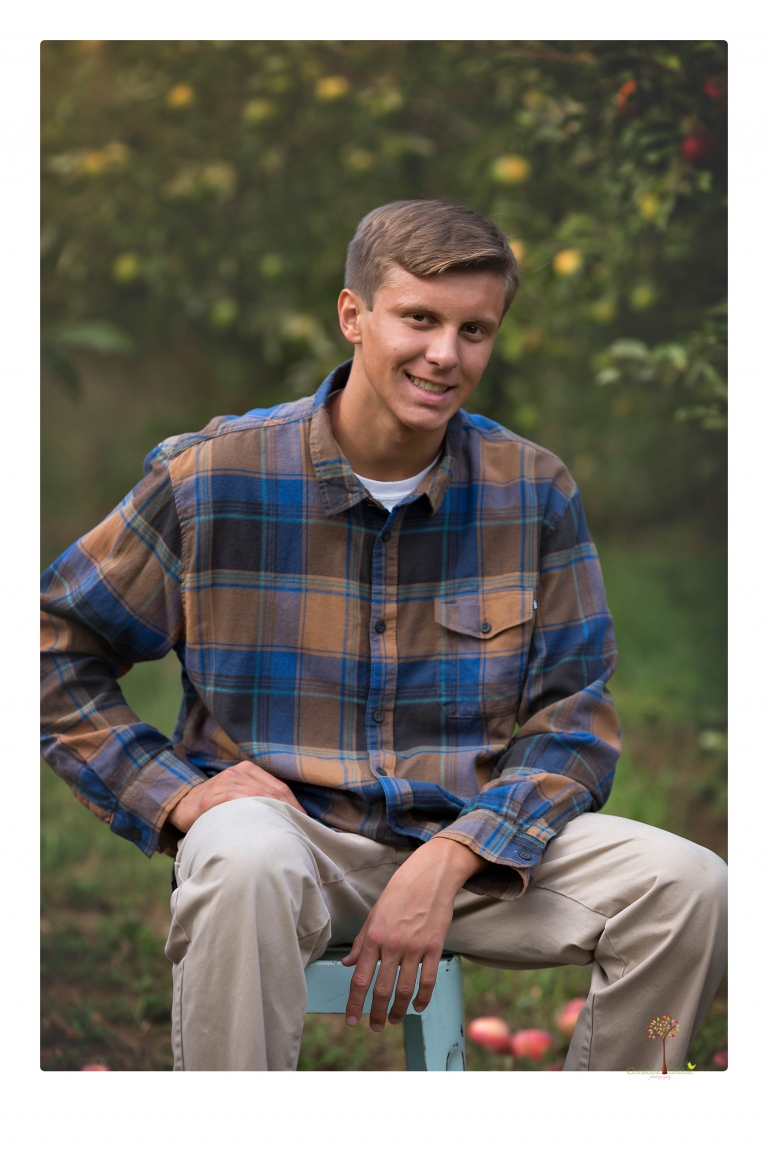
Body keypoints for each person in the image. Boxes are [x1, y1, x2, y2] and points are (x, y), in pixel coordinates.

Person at [41, 199, 726, 1072]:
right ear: (353, 316)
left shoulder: (533, 490)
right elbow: (49, 642)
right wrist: (174, 792)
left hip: (476, 849)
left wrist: (450, 859)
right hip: (285, 843)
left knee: (692, 887)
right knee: (242, 856)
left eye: (474, 329)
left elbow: (574, 722)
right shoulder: (213, 478)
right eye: (420, 319)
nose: (447, 354)